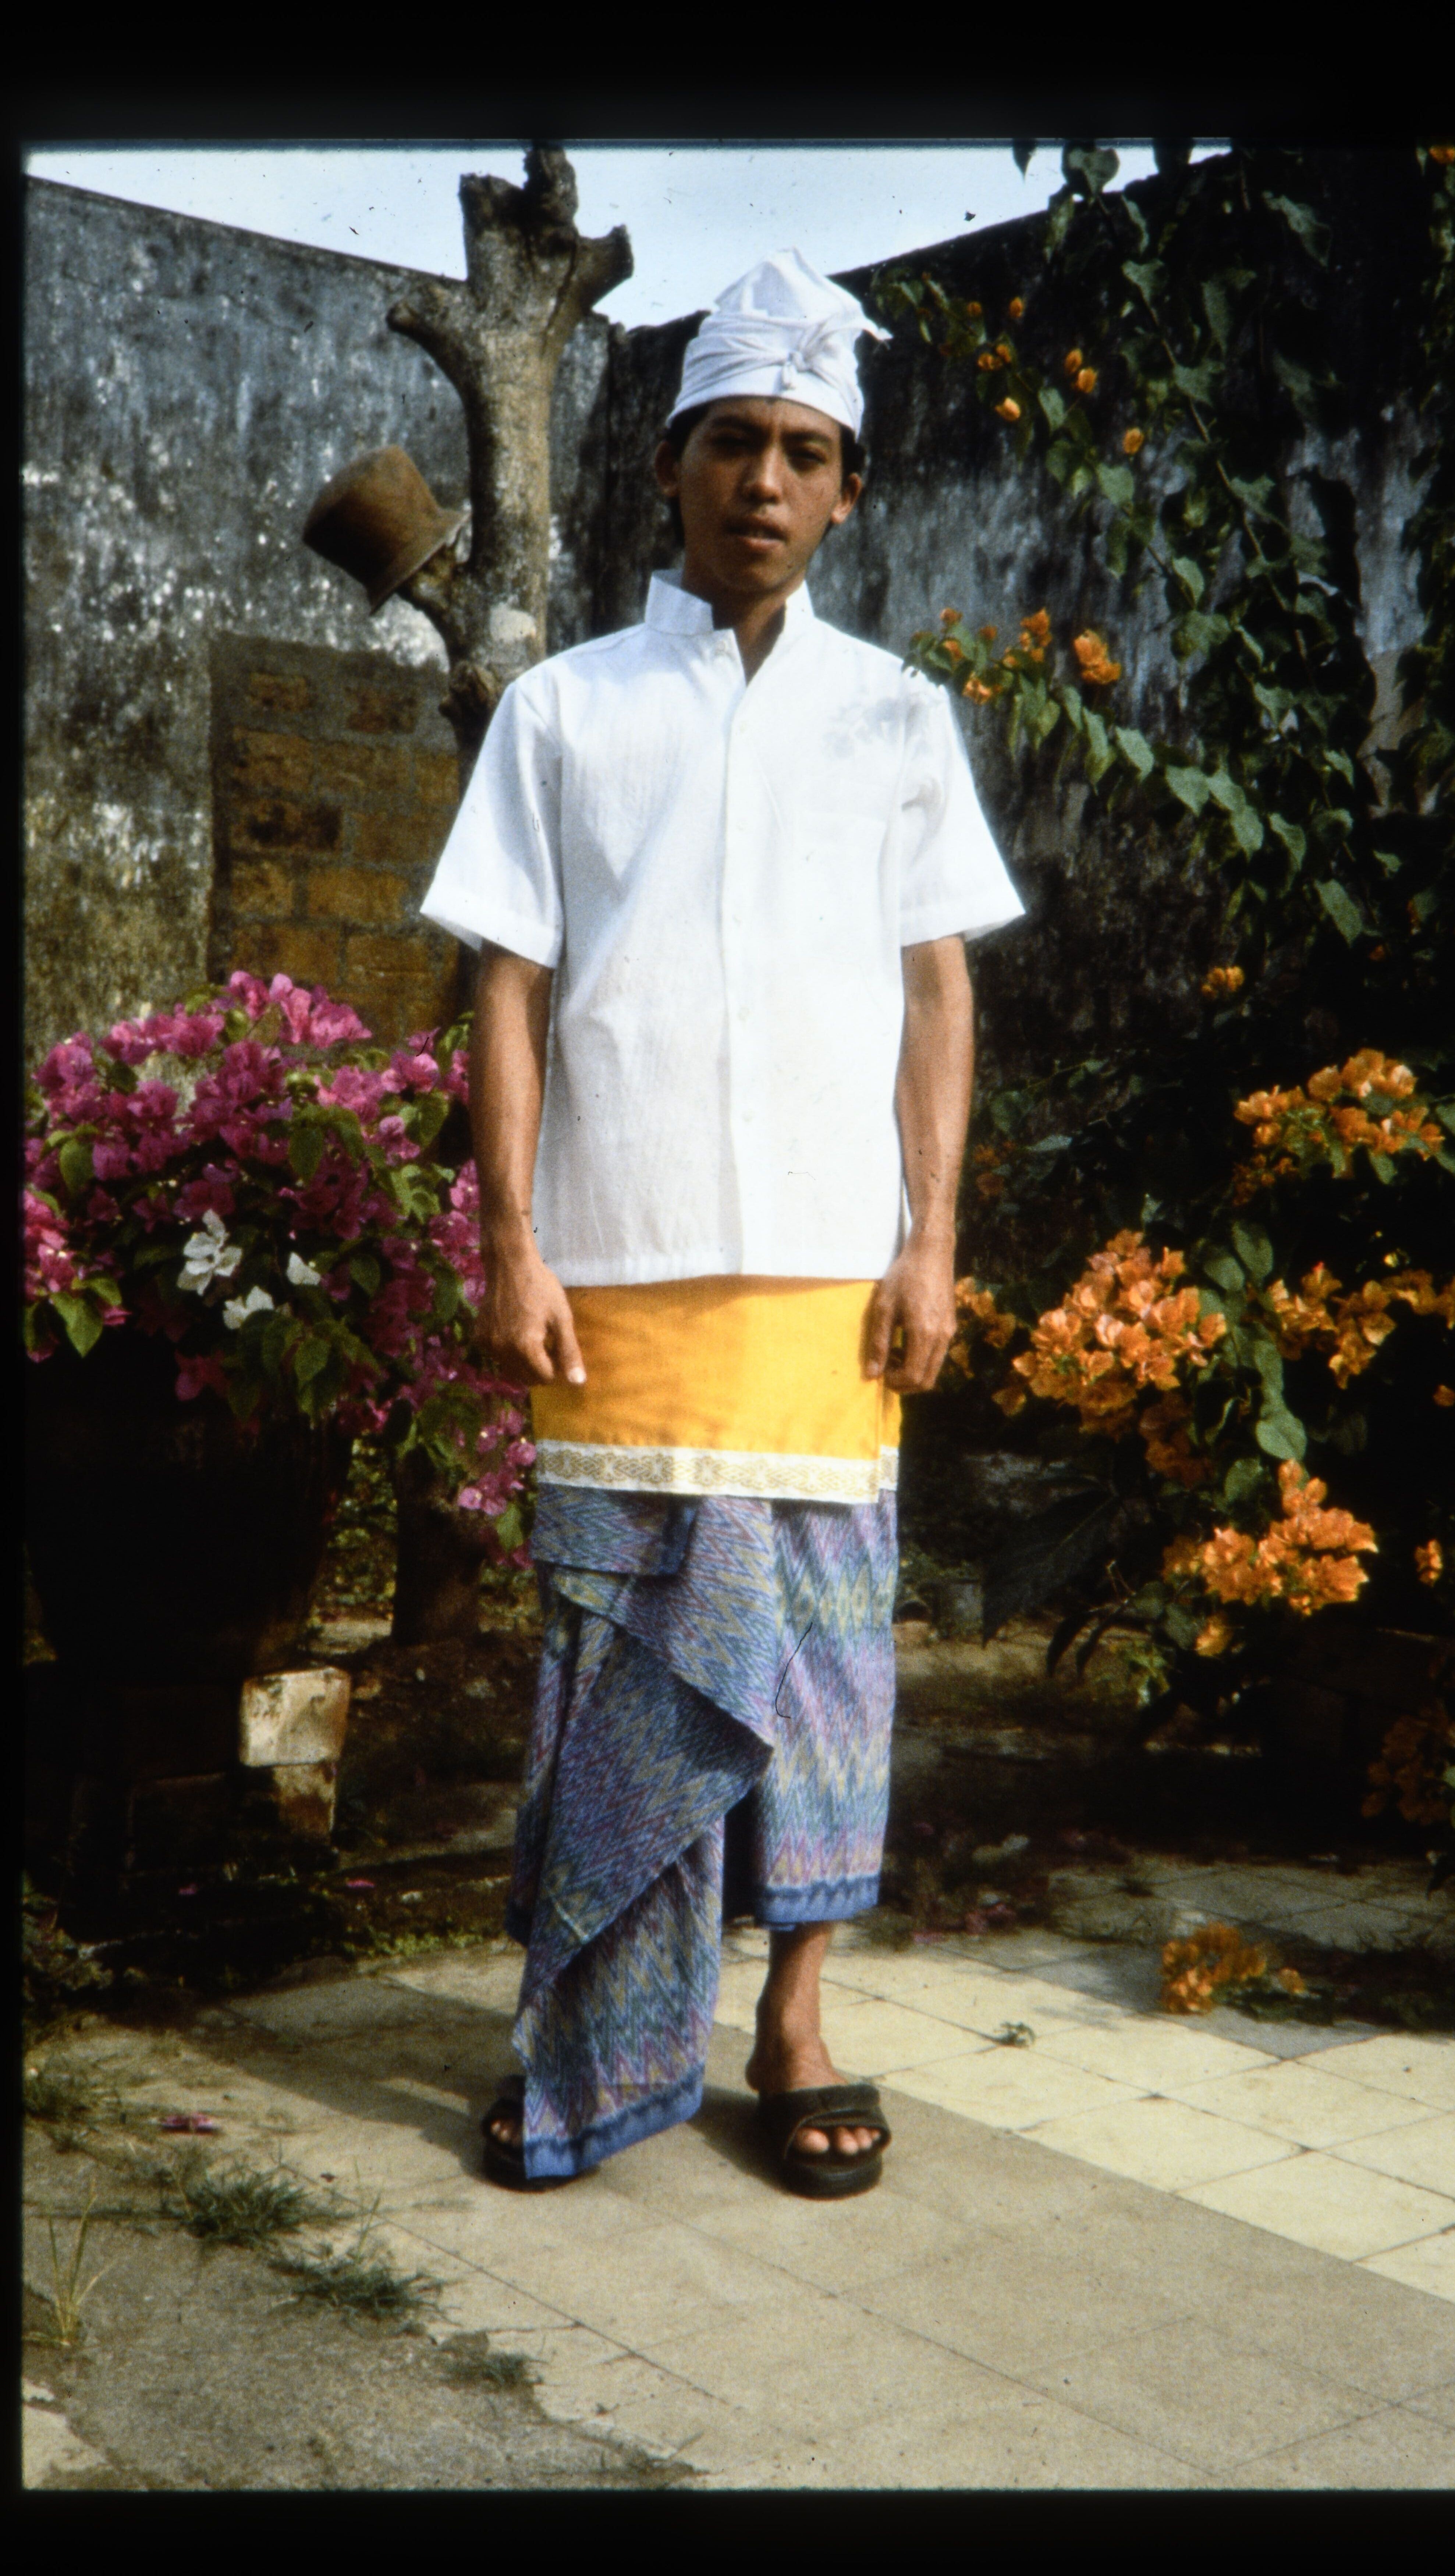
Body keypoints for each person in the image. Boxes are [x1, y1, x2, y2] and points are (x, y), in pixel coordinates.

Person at [419, 249, 1025, 2197]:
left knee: (826, 1671)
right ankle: (599, 2031)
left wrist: (931, 1243)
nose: (766, 479)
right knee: (621, 1661)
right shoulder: (563, 712)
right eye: (735, 441)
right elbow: (510, 984)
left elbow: (937, 993)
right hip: (620, 1271)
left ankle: (797, 2025)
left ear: (846, 490)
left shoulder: (896, 719)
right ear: (670, 466)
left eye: (805, 450)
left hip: (832, 1283)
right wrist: (511, 1243)